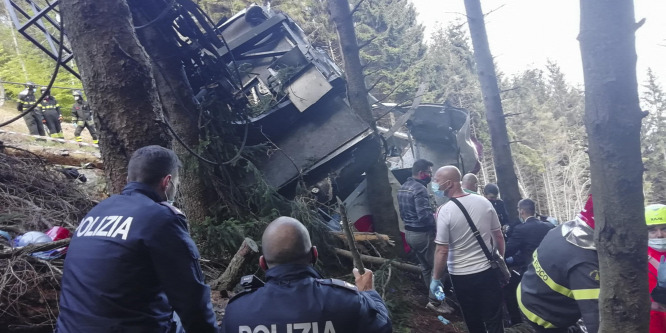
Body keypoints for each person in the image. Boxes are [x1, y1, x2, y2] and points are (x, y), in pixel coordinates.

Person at [55, 145, 218, 333]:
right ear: (167, 182)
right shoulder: (161, 218)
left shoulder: (97, 211)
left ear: (128, 179)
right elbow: (191, 297)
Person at [222, 216, 392, 333]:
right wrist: (369, 293)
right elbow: (383, 327)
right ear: (314, 255)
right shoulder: (347, 301)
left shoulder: (237, 311)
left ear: (263, 263)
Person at [430, 165, 505, 333]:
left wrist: (436, 279)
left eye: (437, 180)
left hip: (461, 276)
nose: (434, 184)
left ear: (449, 183)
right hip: (487, 271)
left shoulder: (444, 211)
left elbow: (442, 250)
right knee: (494, 318)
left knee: (473, 319)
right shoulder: (483, 202)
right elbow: (498, 235)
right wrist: (500, 259)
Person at [518, 195, 599, 333]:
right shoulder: (584, 264)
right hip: (546, 315)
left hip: (528, 293)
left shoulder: (561, 229)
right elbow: (596, 320)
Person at [397, 159, 453, 314]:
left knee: (427, 268)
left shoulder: (403, 187)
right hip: (423, 235)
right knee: (440, 268)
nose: (431, 176)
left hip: (410, 234)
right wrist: (438, 224)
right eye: (429, 172)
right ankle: (435, 302)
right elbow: (424, 217)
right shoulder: (420, 190)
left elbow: (402, 214)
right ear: (421, 173)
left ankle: (435, 299)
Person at [503, 198, 555, 325]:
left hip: (532, 271)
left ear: (521, 211)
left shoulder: (521, 229)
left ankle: (517, 322)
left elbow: (508, 250)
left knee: (509, 289)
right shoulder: (549, 226)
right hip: (552, 271)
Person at [646, 204, 666, 332]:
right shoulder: (635, 257)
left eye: (664, 228)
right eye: (652, 230)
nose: (659, 235)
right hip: (651, 323)